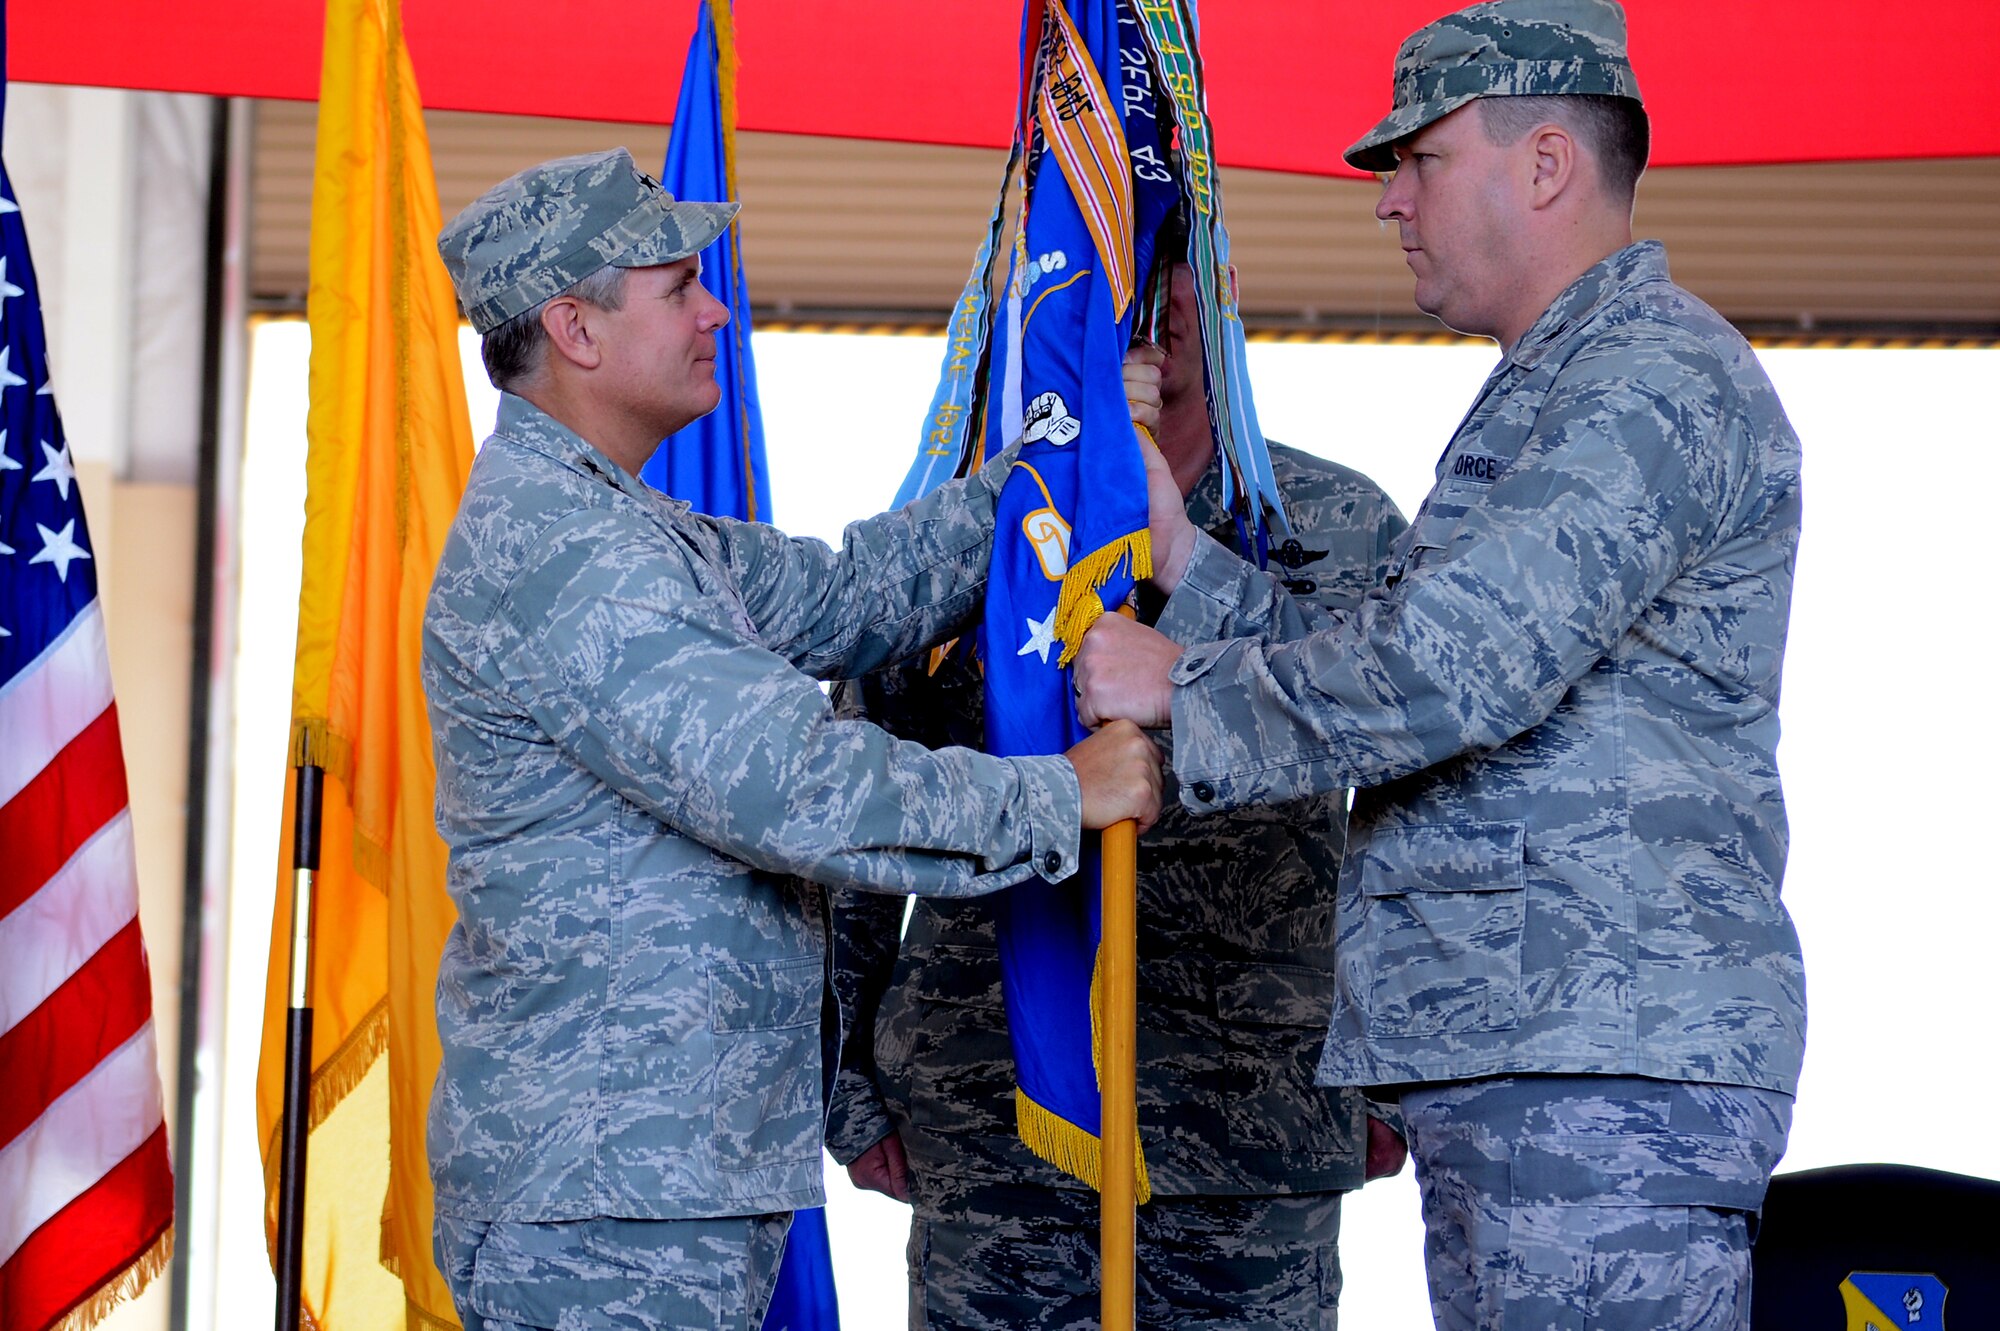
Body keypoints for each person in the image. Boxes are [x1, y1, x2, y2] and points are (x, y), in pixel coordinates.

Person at [1074, 4, 1807, 1328]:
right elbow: (1425, 619)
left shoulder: (1649, 380)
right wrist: (1190, 570)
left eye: (1418, 159)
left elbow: (1457, 662)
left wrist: (1178, 688)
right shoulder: (1568, 380)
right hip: (1538, 1047)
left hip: (1594, 1058)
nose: (1388, 202)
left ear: (1545, 164)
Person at [421, 147, 1164, 1331]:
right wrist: (1051, 794)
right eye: (677, 286)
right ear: (574, 327)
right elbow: (792, 783)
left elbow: (849, 595)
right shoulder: (566, 558)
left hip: (651, 1181)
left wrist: (1048, 467)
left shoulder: (629, 526)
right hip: (607, 1202)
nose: (716, 308)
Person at [827, 258, 1409, 1330]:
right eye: (1104, 271)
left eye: (1170, 271)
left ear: (1222, 290)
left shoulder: (1337, 520)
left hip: (1252, 1131)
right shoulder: (959, 537)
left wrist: (1401, 1065)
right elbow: (854, 828)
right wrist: (846, 1085)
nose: (1144, 304)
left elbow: (1411, 787)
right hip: (994, 1123)